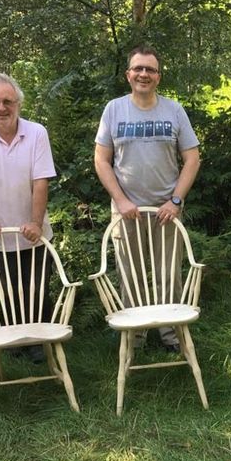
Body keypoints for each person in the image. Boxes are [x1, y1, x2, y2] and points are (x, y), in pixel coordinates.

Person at [94, 45, 200, 353]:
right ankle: (136, 336)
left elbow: (192, 159)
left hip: (167, 209)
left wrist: (176, 201)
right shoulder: (114, 109)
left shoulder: (174, 110)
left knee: (169, 274)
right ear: (128, 75)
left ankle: (171, 336)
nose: (144, 74)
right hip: (127, 210)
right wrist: (121, 200)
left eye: (150, 69)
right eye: (138, 68)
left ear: (158, 76)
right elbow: (101, 160)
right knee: (131, 275)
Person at [0, 73, 56, 363]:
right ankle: (15, 338)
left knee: (37, 286)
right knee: (8, 288)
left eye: (8, 101)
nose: (1, 107)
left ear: (19, 104)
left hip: (33, 229)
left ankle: (39, 341)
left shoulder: (36, 132)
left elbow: (41, 181)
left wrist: (36, 222)